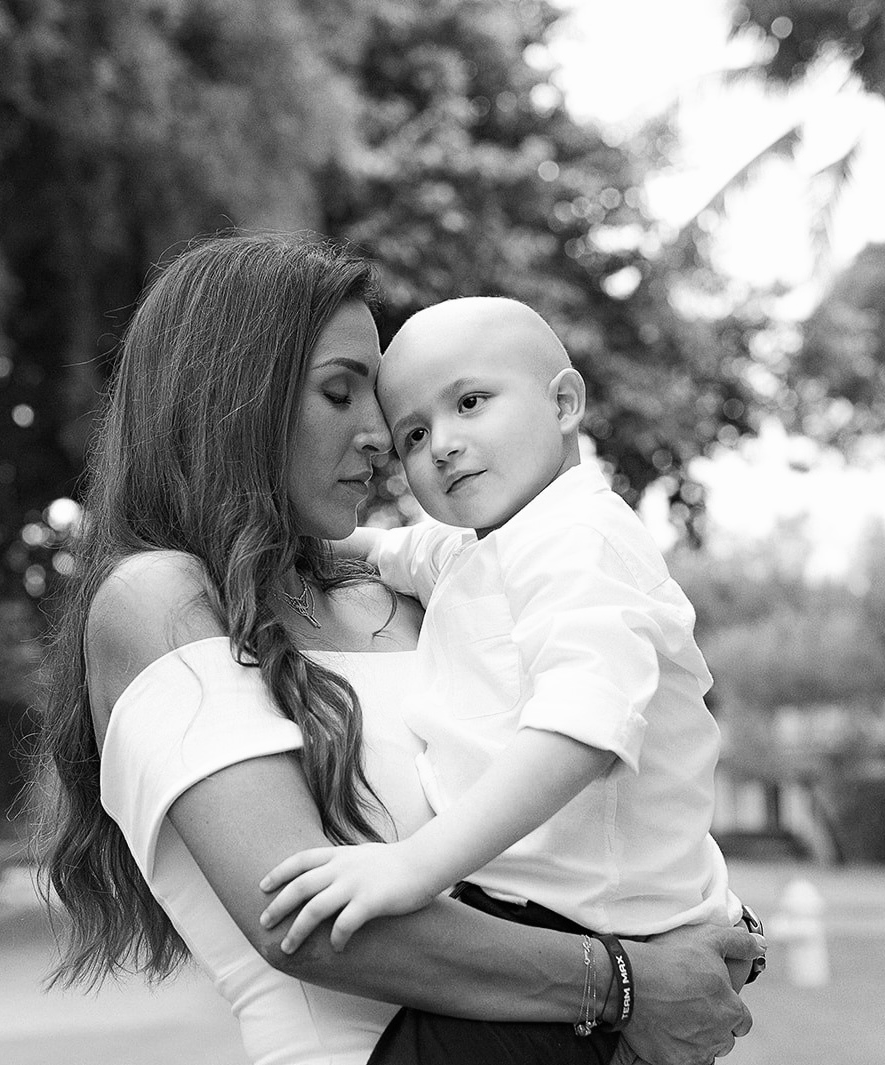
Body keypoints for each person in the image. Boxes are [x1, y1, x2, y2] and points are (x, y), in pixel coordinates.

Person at [35, 235, 762, 1065]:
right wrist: (625, 982)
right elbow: (302, 923)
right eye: (340, 393)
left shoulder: (437, 587)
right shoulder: (156, 597)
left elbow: (601, 763)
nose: (383, 438)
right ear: (231, 399)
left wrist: (696, 924)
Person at [258, 296, 762, 1057]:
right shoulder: (473, 546)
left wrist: (414, 865)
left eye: (469, 403)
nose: (443, 446)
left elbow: (581, 731)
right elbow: (368, 547)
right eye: (415, 434)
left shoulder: (581, 541)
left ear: (563, 402)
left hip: (598, 924)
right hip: (533, 924)